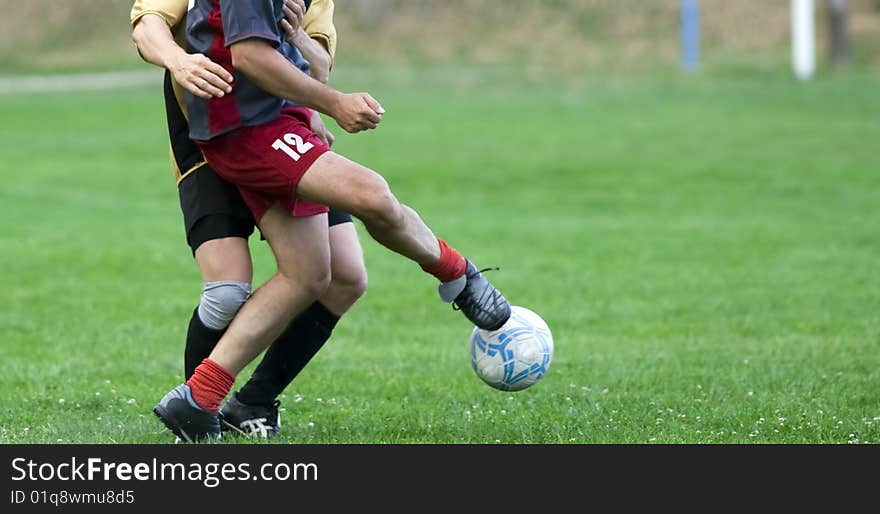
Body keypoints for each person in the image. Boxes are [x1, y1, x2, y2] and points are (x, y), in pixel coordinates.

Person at [152, 0, 512, 442]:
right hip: (246, 129)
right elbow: (248, 55)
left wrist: (308, 77)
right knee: (372, 195)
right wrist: (335, 103)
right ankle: (458, 274)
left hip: (272, 118)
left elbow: (311, 63)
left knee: (310, 275)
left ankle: (199, 398)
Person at [130, 0, 365, 438]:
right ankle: (198, 411)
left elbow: (319, 68)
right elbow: (147, 27)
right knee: (226, 291)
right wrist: (179, 60)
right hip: (205, 130)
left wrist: (293, 36)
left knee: (346, 276)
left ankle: (252, 402)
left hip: (279, 130)